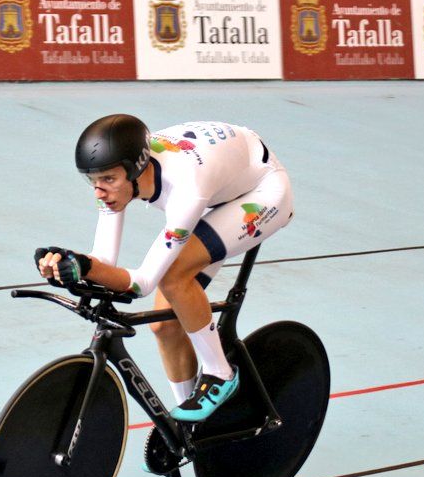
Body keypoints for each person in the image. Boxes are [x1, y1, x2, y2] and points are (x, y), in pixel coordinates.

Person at [36, 114, 293, 424]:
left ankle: (220, 374)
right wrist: (71, 263)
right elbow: (103, 260)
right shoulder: (120, 174)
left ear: (135, 170)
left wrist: (86, 267)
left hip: (262, 192)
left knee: (174, 277)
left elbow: (142, 284)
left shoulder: (185, 188)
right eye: (93, 181)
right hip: (221, 178)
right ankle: (190, 427)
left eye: (107, 180)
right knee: (165, 326)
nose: (99, 192)